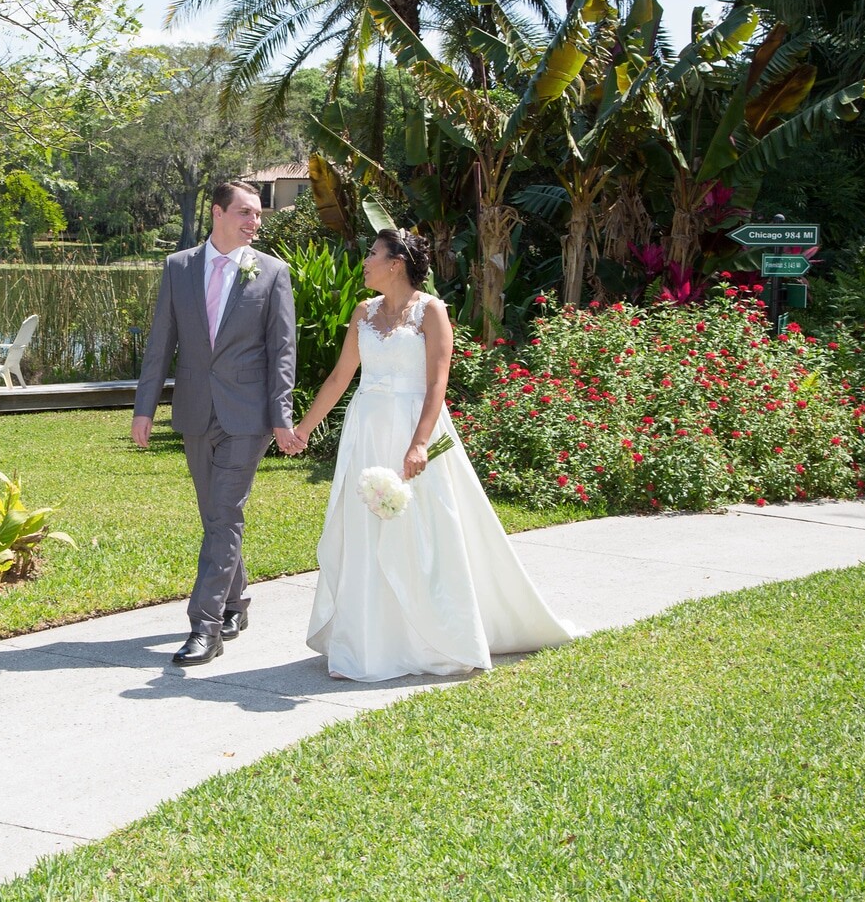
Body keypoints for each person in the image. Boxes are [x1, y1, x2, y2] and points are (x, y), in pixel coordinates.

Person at [293, 229, 573, 681]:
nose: (365, 261)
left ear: (396, 262)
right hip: (367, 429)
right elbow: (340, 377)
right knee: (366, 526)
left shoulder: (431, 310)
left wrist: (420, 441)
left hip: (413, 426)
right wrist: (303, 430)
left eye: (372, 253)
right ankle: (368, 639)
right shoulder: (363, 312)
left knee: (424, 527)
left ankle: (434, 635)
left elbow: (437, 382)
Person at [133, 181, 300, 666]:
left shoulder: (272, 272)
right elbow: (161, 341)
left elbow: (282, 351)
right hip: (194, 409)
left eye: (258, 215)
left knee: (224, 515)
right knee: (216, 516)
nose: (255, 222)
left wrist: (280, 414)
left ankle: (205, 626)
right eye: (246, 213)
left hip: (247, 416)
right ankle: (236, 601)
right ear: (218, 213)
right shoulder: (179, 267)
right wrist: (145, 408)